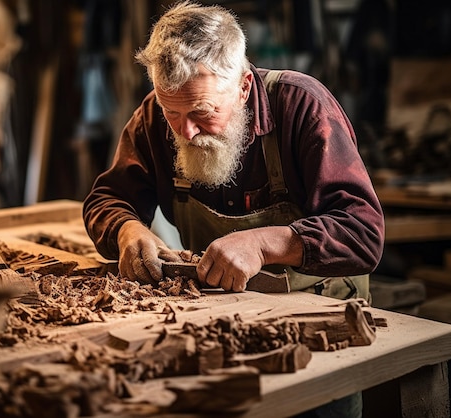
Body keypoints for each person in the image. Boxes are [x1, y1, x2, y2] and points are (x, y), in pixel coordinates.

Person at [83, 2, 384, 415]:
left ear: (243, 87)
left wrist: (265, 244)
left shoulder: (302, 106)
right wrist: (126, 230)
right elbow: (107, 198)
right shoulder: (155, 114)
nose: (185, 131)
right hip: (215, 330)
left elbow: (363, 234)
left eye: (202, 113)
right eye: (173, 112)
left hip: (319, 332)